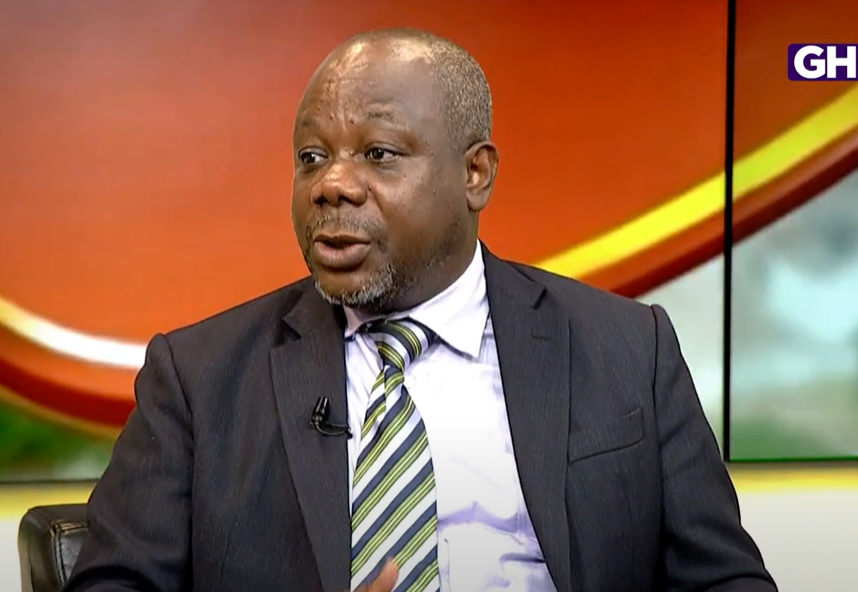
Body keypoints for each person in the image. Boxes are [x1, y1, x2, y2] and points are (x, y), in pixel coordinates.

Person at [64, 27, 777, 592]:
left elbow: (723, 580)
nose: (332, 186)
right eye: (311, 157)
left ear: (474, 174)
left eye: (377, 154)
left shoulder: (626, 348)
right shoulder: (198, 377)